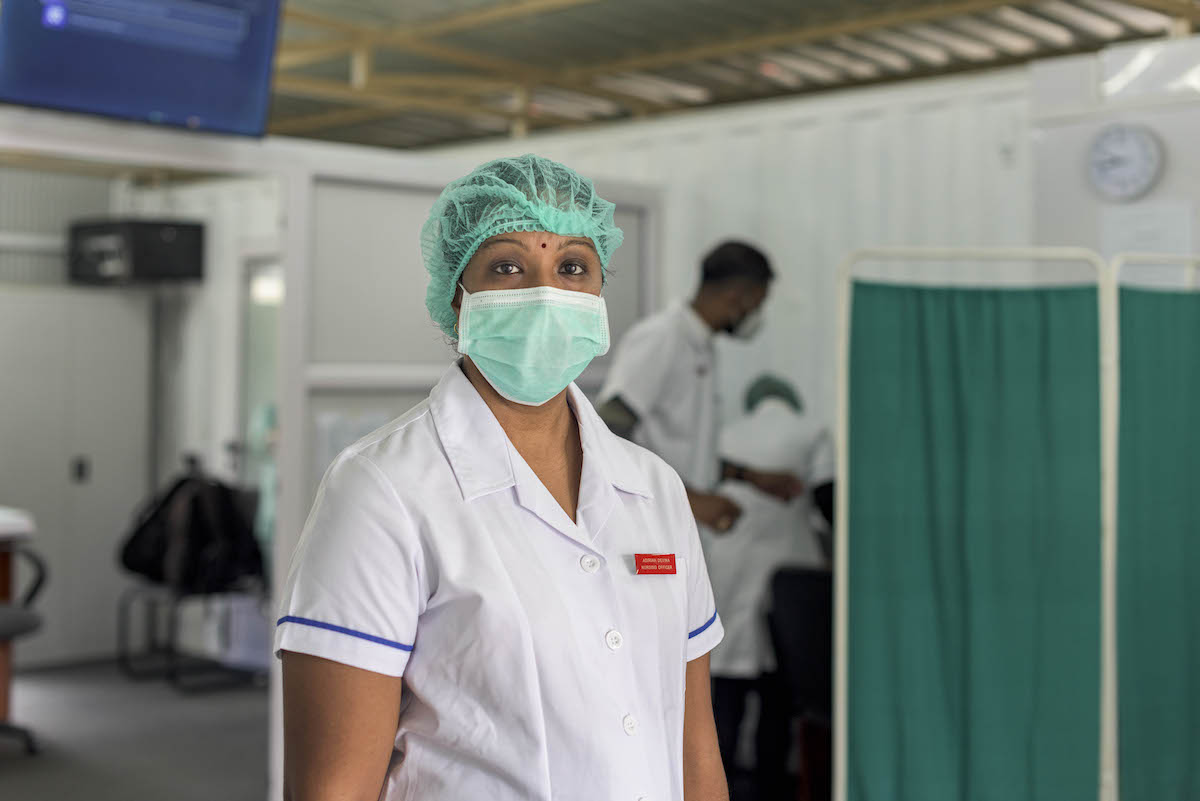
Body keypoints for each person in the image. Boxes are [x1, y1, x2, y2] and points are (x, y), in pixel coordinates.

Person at [275, 154, 729, 801]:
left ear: (600, 291)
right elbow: (332, 788)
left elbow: (694, 746)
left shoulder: (655, 489)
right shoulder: (381, 489)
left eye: (572, 266)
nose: (545, 292)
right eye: (509, 266)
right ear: (458, 295)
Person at [597, 241, 804, 534]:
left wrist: (748, 476)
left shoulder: (701, 347)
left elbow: (679, 446)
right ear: (737, 297)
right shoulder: (663, 337)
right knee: (655, 576)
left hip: (679, 525)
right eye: (757, 304)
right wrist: (691, 500)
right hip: (648, 526)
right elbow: (607, 430)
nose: (756, 315)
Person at [704, 376, 833, 801]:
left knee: (725, 696)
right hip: (789, 577)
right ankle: (771, 787)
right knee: (778, 699)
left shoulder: (723, 433)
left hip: (727, 574)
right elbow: (828, 500)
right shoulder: (813, 431)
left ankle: (719, 788)